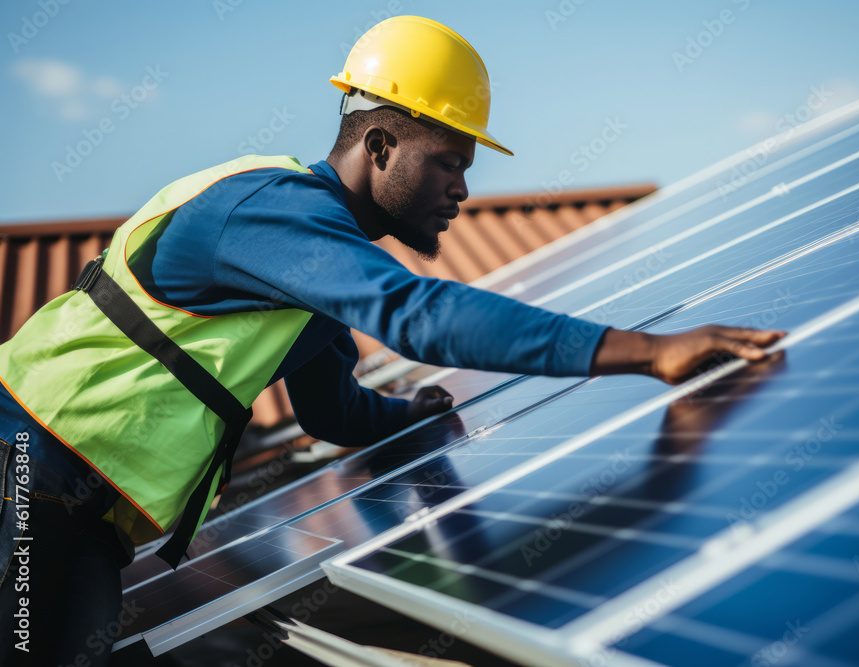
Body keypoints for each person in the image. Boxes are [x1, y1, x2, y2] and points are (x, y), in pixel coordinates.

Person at [0, 15, 784, 666]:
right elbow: (419, 315)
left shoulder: (314, 254)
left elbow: (329, 407)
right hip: (27, 480)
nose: (463, 189)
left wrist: (409, 416)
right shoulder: (276, 212)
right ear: (379, 145)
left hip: (69, 505)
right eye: (447, 161)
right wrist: (647, 352)